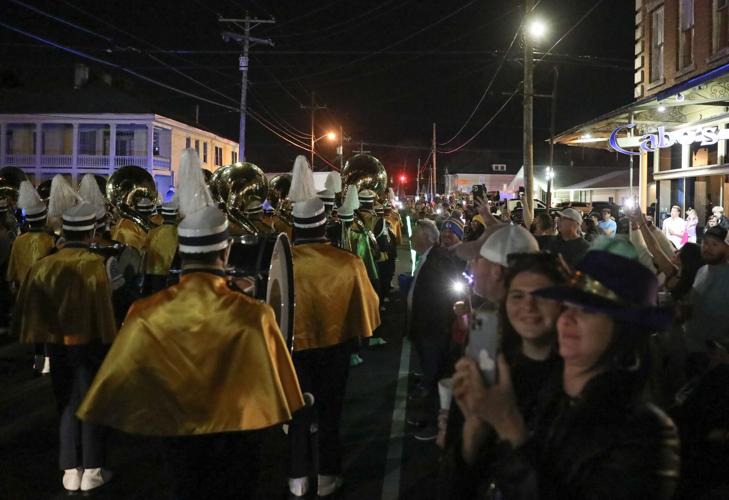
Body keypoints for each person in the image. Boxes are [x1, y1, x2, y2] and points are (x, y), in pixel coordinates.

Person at [77, 159, 304, 500]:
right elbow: (281, 383)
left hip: (176, 428)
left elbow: (116, 382)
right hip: (238, 433)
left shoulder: (144, 312)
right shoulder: (255, 314)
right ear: (225, 252)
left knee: (185, 489)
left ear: (181, 250)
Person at [450, 251, 680, 499]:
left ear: (624, 332)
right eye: (567, 305)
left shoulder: (646, 432)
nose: (568, 317)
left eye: (588, 310)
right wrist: (475, 429)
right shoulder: (551, 396)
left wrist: (508, 425)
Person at [439, 252, 568, 496]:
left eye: (542, 296)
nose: (528, 306)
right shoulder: (486, 369)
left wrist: (505, 420)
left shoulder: (577, 378)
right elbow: (451, 482)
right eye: (517, 296)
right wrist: (472, 430)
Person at [287, 166, 380, 497]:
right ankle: (327, 474)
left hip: (292, 351)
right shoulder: (347, 262)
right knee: (330, 411)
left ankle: (297, 477)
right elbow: (368, 309)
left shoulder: (279, 264)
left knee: (297, 411)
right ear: (323, 222)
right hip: (334, 348)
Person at [13, 202, 117, 494]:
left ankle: (71, 469)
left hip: (57, 345)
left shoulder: (44, 264)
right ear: (91, 232)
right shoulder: (94, 264)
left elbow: (27, 308)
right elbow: (104, 311)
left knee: (66, 404)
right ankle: (93, 469)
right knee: (91, 404)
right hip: (90, 345)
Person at [407, 218, 463, 440]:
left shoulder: (438, 260)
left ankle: (434, 424)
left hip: (433, 330)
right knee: (429, 376)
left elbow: (446, 297)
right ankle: (427, 416)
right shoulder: (432, 257)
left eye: (414, 236)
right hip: (426, 329)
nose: (411, 239)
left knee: (434, 376)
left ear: (424, 238)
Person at [6, 181, 56, 373]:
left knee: (35, 331)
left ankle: (38, 362)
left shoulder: (19, 241)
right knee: (47, 329)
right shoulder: (50, 240)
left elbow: (11, 269)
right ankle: (46, 363)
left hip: (25, 291)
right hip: (46, 292)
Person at [683, 225, 729, 378]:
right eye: (705, 242)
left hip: (716, 357)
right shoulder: (701, 271)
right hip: (692, 349)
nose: (708, 248)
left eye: (715, 244)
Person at [143, 200, 179, 295]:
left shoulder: (152, 232)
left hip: (150, 275)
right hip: (169, 277)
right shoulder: (179, 233)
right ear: (177, 215)